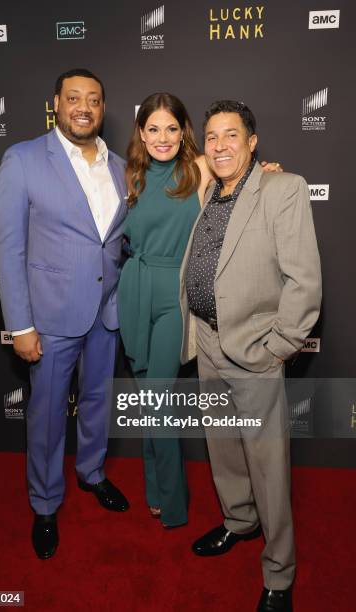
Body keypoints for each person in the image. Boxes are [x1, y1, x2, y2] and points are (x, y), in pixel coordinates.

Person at [179, 100, 322, 611]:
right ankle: (239, 522)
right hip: (209, 345)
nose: (219, 145)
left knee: (268, 466)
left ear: (253, 141)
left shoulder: (283, 188)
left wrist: (278, 348)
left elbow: (304, 281)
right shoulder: (210, 192)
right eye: (212, 136)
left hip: (255, 351)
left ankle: (279, 574)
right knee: (224, 449)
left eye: (231, 136)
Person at [118, 93, 281, 529]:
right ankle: (154, 487)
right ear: (141, 133)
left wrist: (270, 173)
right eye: (153, 128)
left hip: (175, 294)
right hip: (133, 288)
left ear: (184, 131)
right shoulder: (129, 174)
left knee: (157, 397)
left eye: (172, 128)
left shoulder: (200, 168)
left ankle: (172, 502)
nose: (163, 138)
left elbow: (244, 175)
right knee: (145, 399)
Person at [0, 68, 129, 560]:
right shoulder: (24, 160)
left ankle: (92, 473)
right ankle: (45, 503)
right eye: (73, 98)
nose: (83, 107)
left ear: (102, 108)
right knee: (47, 416)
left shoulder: (118, 166)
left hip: (105, 313)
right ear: (56, 103)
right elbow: (8, 250)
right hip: (48, 318)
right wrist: (20, 325)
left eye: (93, 99)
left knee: (97, 402)